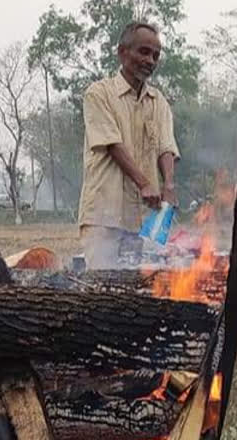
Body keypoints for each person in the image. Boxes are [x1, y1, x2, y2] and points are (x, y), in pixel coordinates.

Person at [78, 21, 180, 269]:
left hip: (143, 220)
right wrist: (144, 183)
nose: (150, 61)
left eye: (155, 55)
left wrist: (168, 185)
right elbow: (112, 145)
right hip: (105, 216)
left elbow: (167, 147)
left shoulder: (159, 102)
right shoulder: (98, 94)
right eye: (143, 52)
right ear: (122, 52)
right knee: (103, 290)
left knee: (136, 292)